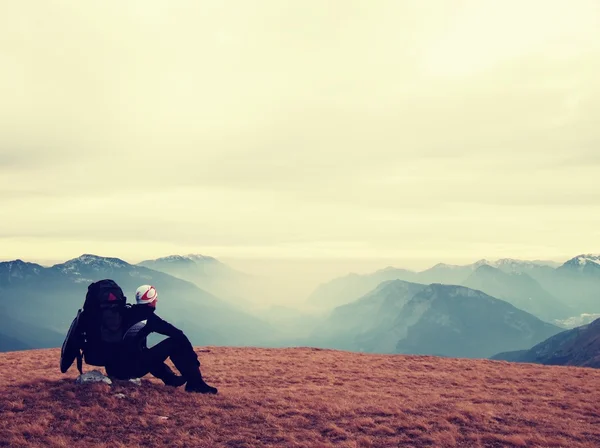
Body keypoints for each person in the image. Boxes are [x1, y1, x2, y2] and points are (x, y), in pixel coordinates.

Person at [105, 285, 218, 394]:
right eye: (155, 298)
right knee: (175, 342)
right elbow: (178, 334)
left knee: (143, 351)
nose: (156, 300)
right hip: (129, 370)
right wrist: (193, 359)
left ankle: (170, 379)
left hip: (113, 368)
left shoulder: (126, 312)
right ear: (150, 301)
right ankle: (195, 383)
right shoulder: (149, 318)